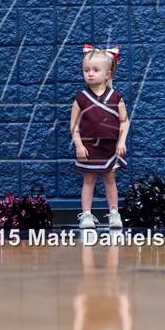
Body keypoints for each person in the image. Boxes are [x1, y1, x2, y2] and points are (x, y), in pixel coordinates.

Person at [70, 44, 129, 229]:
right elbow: (74, 124)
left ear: (108, 74)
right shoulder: (81, 97)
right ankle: (86, 215)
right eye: (86, 70)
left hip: (109, 147)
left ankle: (114, 213)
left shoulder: (116, 96)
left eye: (95, 70)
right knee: (89, 181)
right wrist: (79, 145)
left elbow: (125, 122)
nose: (90, 73)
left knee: (110, 181)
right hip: (88, 148)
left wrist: (121, 141)